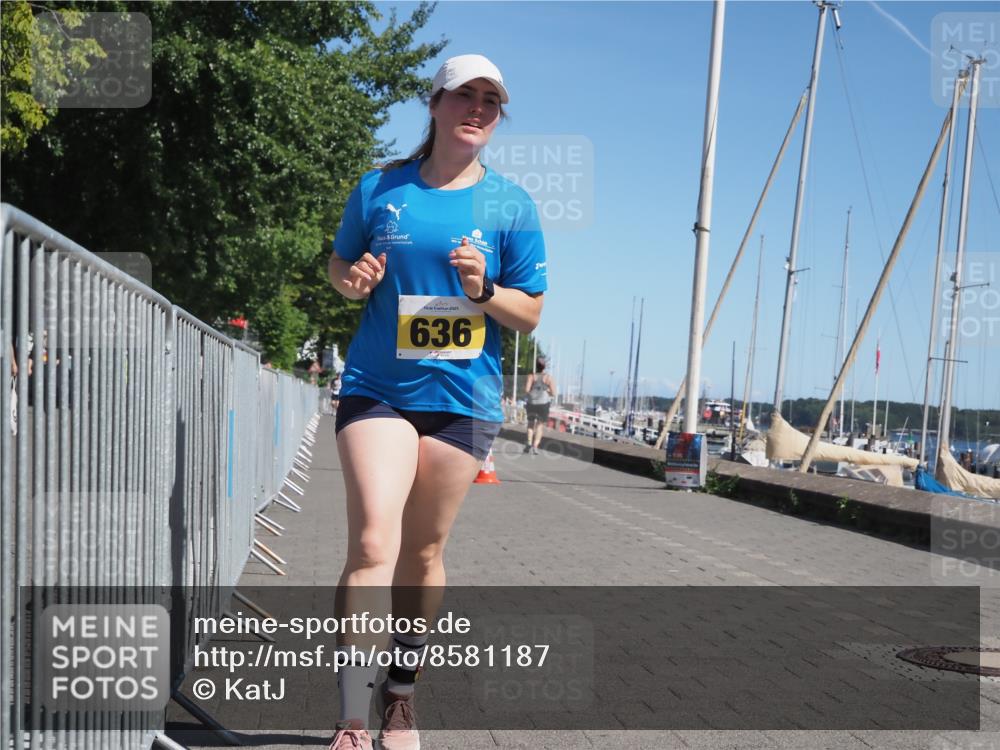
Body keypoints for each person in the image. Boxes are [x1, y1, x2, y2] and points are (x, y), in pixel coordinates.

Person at [325, 54, 547, 750]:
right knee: (371, 542)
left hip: (461, 400)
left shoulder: (511, 204)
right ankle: (352, 718)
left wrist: (483, 289)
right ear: (436, 103)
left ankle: (401, 694)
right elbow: (340, 265)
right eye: (465, 95)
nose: (478, 108)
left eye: (492, 100)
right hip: (378, 389)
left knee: (422, 554)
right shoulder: (380, 188)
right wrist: (352, 280)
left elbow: (530, 314)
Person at [523, 357, 555, 455]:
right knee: (540, 426)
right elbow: (553, 393)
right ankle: (535, 446)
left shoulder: (531, 376)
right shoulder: (548, 378)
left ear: (536, 366)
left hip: (532, 403)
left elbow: (527, 390)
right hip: (543, 404)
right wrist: (547, 390)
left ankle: (528, 442)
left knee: (530, 424)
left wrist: (533, 392)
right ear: (544, 367)